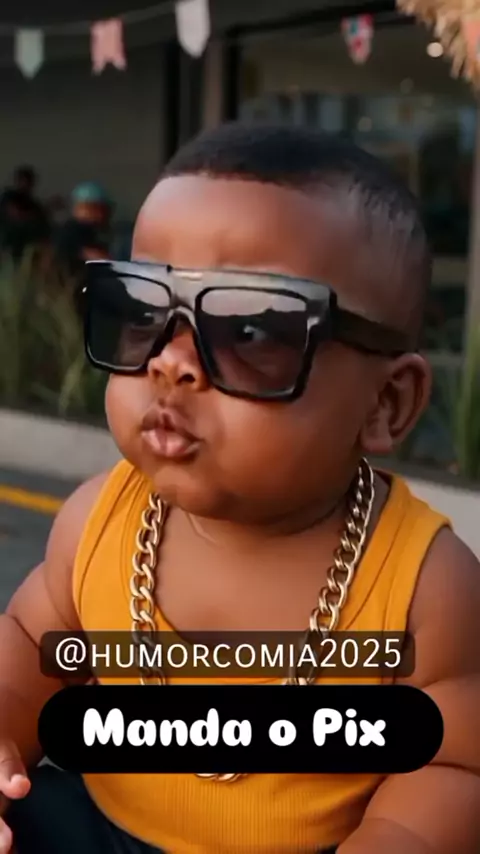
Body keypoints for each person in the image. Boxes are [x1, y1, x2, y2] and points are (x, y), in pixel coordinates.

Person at [1, 122, 479, 854]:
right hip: (96, 829)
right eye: (141, 313)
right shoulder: (98, 519)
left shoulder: (425, 586)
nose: (171, 362)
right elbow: (31, 644)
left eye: (251, 330)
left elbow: (451, 764)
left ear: (386, 403)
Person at [55, 182, 112, 275]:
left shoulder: (93, 232)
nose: (102, 214)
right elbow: (97, 258)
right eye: (97, 208)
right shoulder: (72, 231)